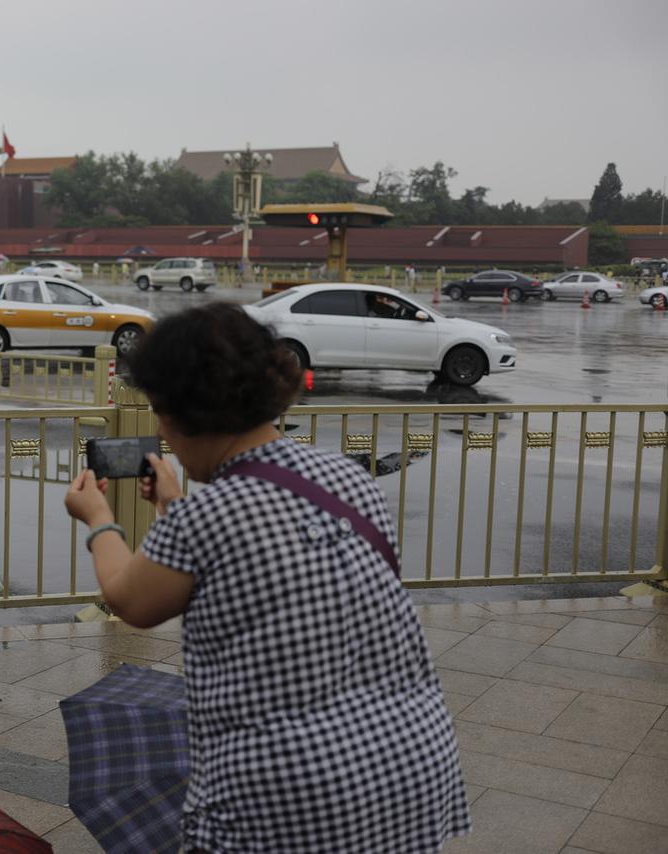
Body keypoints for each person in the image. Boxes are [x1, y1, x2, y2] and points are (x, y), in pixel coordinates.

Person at [63, 304, 469, 852]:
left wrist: (99, 520)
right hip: (410, 768)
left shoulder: (206, 518)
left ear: (184, 411)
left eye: (159, 411)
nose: (160, 429)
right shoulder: (348, 481)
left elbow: (129, 600)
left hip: (289, 794)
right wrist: (173, 506)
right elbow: (260, 574)